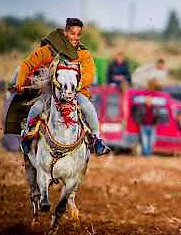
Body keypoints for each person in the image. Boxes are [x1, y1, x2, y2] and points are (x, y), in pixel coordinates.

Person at [15, 18, 110, 155]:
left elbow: (90, 72)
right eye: (72, 34)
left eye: (79, 34)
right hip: (52, 92)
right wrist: (20, 82)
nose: (76, 38)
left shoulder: (83, 54)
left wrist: (77, 85)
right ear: (65, 32)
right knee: (37, 107)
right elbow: (27, 64)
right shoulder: (48, 50)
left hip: (76, 92)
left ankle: (96, 139)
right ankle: (27, 137)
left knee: (88, 107)